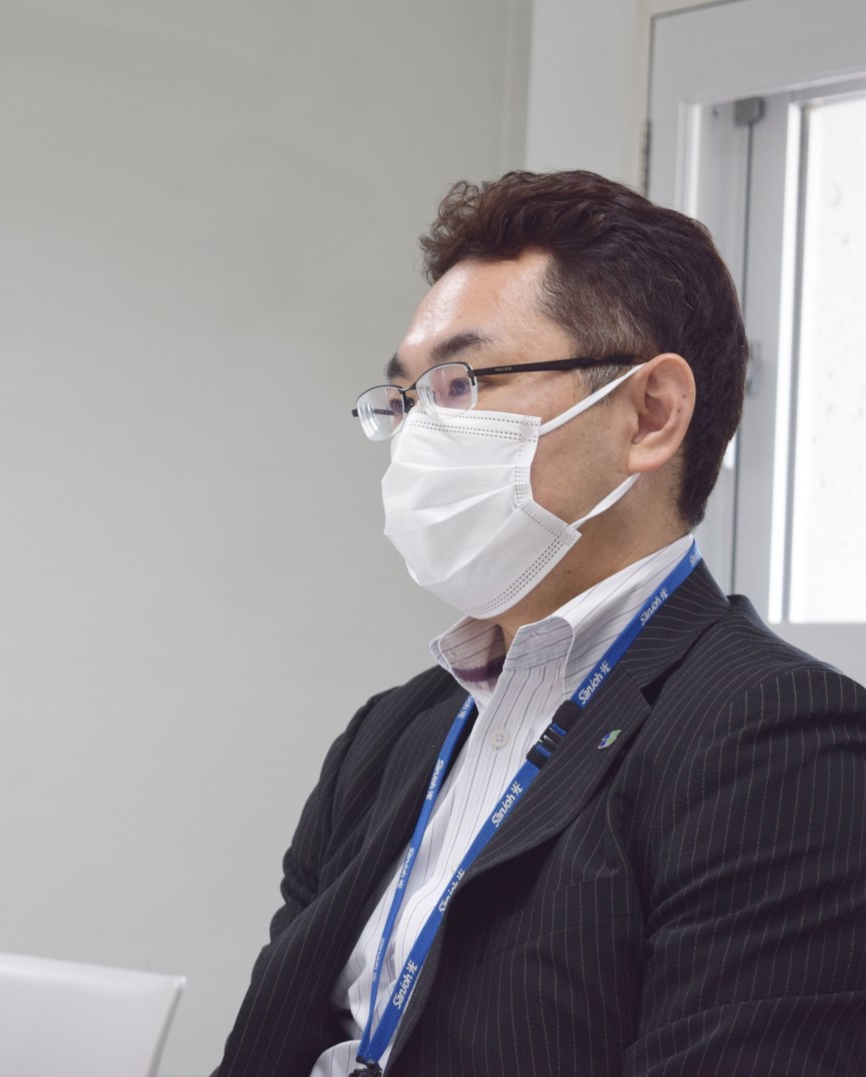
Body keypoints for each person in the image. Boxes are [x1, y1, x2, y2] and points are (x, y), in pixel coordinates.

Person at [217, 171, 866, 1075]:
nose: (417, 436)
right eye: (406, 399)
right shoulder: (391, 733)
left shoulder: (777, 736)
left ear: (650, 414)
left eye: (460, 384)